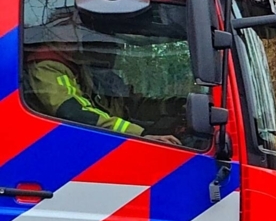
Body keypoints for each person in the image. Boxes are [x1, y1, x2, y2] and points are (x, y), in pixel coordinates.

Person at [24, 42, 181, 145]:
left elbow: (132, 106)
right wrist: (140, 135)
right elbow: (75, 112)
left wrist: (174, 106)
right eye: (107, 46)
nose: (113, 54)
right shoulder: (49, 66)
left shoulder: (99, 76)